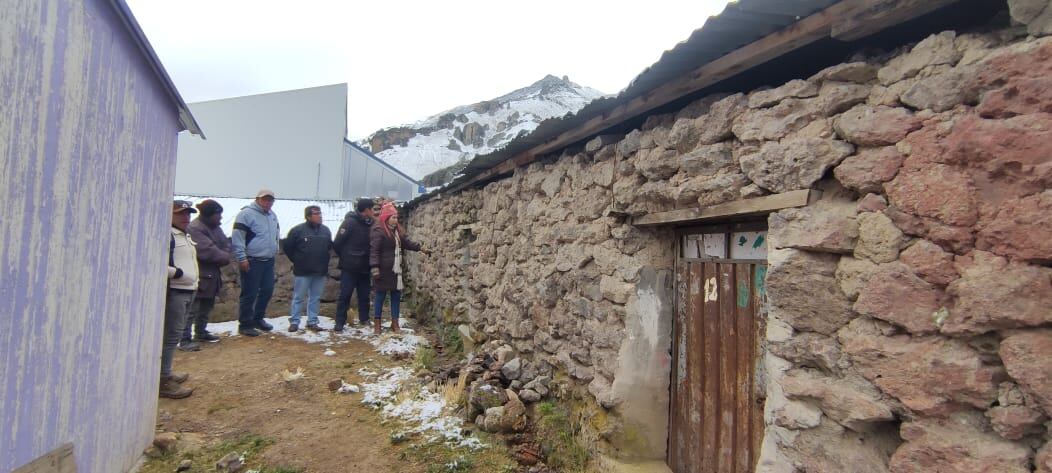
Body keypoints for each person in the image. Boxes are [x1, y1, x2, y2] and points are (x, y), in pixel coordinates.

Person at [179, 199, 232, 351]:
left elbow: (226, 245)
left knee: (207, 306)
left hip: (211, 274)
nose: (221, 218)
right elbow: (208, 251)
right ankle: (184, 339)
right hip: (199, 273)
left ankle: (200, 332)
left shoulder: (214, 227)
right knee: (192, 309)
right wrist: (223, 254)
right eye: (218, 215)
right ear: (209, 215)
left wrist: (223, 252)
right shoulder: (195, 228)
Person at [370, 202, 427, 335]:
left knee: (396, 296)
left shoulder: (397, 232)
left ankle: (395, 323)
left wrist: (420, 248)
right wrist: (374, 267)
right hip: (383, 270)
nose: (396, 220)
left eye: (396, 217)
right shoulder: (379, 231)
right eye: (393, 217)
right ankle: (377, 325)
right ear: (386, 218)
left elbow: (407, 243)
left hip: (396, 271)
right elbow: (374, 251)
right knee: (380, 297)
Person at [162, 200, 199, 399]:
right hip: (175, 291)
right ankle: (163, 379)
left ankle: (165, 373)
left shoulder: (184, 235)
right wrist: (177, 273)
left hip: (187, 290)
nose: (186, 217)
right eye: (181, 214)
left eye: (188, 214)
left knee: (174, 336)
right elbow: (155, 263)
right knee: (170, 336)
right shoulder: (168, 235)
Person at [232, 189, 280, 337]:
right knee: (249, 293)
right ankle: (245, 324)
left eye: (270, 200)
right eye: (265, 199)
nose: (268, 202)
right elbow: (238, 237)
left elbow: (276, 235)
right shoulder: (245, 214)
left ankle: (258, 319)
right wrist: (242, 257)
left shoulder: (272, 215)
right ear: (257, 199)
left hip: (268, 260)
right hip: (251, 260)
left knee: (267, 290)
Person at [283, 205, 333, 332]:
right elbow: (288, 247)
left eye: (320, 213)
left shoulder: (326, 231)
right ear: (308, 216)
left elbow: (328, 247)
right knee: (299, 297)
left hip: (320, 270)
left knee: (315, 297)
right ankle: (294, 321)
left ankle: (312, 321)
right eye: (316, 214)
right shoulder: (297, 230)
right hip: (303, 271)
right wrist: (297, 260)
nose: (319, 216)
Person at [332, 198, 375, 332]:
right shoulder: (349, 222)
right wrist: (347, 257)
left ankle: (364, 319)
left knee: (364, 295)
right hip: (349, 267)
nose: (373, 211)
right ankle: (340, 322)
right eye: (372, 209)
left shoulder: (370, 224)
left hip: (364, 267)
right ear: (366, 210)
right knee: (345, 295)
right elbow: (337, 243)